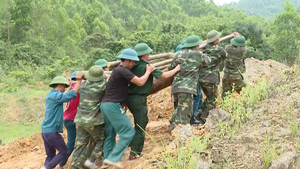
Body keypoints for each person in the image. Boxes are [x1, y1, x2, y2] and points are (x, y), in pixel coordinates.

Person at [100, 48, 155, 168]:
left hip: (105, 105)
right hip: (113, 106)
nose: (134, 64)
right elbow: (140, 82)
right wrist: (148, 71)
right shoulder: (123, 71)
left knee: (110, 134)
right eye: (133, 62)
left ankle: (106, 161)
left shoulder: (117, 70)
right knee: (128, 132)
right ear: (128, 61)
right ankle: (113, 159)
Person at [127, 43, 181, 160]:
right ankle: (135, 153)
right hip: (138, 98)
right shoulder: (147, 66)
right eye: (148, 53)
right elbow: (165, 76)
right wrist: (177, 69)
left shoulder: (133, 66)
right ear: (145, 54)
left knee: (140, 121)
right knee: (141, 125)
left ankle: (131, 141)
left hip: (129, 98)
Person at [169, 35, 211, 132]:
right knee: (184, 117)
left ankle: (173, 124)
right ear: (196, 46)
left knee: (180, 109)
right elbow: (208, 60)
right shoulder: (198, 54)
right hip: (187, 89)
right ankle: (176, 135)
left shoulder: (178, 54)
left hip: (176, 88)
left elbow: (171, 68)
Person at [41, 73, 83, 169]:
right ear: (60, 85)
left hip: (45, 131)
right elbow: (70, 96)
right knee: (64, 151)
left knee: (50, 156)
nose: (65, 89)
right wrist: (79, 81)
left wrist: (70, 86)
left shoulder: (51, 95)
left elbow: (64, 95)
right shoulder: (55, 96)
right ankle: (46, 168)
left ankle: (47, 166)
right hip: (52, 132)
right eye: (64, 87)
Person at [71, 66, 107, 169]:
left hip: (79, 120)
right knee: (102, 139)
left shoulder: (82, 85)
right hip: (94, 121)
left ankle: (75, 166)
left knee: (79, 145)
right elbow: (112, 78)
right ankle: (90, 160)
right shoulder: (102, 85)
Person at [197, 30, 228, 123]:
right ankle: (203, 119)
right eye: (217, 37)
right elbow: (225, 56)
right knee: (213, 100)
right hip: (211, 79)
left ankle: (199, 112)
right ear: (214, 40)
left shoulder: (202, 48)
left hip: (201, 78)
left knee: (209, 97)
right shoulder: (219, 50)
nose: (219, 38)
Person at [57, 71, 80, 169]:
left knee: (75, 142)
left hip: (67, 118)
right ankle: (61, 164)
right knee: (71, 144)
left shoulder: (71, 88)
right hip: (71, 119)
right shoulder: (77, 88)